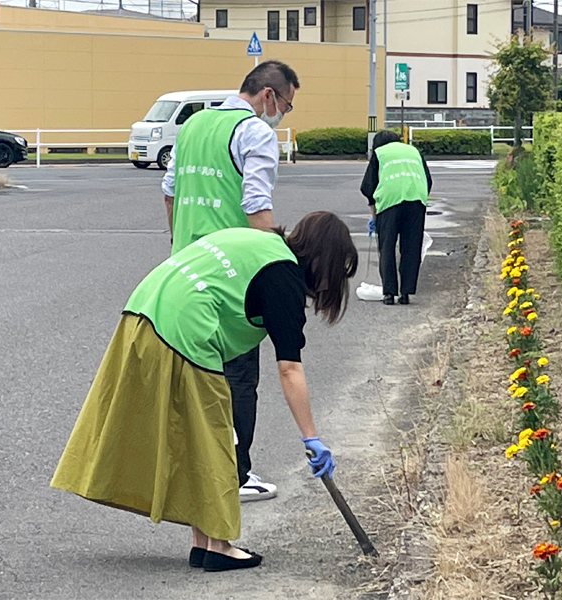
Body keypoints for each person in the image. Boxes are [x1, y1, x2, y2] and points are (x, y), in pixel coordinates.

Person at [51, 211, 359, 572]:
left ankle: (203, 541)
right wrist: (312, 438)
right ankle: (219, 545)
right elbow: (289, 368)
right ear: (324, 260)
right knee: (215, 437)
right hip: (184, 329)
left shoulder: (260, 242)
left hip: (143, 309)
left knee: (194, 437)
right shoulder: (283, 277)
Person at [162, 60, 299, 502]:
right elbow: (257, 203)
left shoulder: (193, 125)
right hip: (231, 275)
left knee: (197, 378)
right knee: (238, 379)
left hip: (184, 267)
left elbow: (170, 191)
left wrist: (180, 240)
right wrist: (276, 262)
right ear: (269, 96)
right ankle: (235, 476)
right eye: (287, 106)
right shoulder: (256, 132)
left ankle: (197, 472)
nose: (282, 115)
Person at [360, 130, 433, 305]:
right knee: (411, 247)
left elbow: (368, 187)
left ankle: (389, 293)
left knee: (387, 247)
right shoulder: (414, 151)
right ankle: (406, 292)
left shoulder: (380, 154)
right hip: (416, 199)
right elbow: (428, 180)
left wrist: (374, 216)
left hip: (390, 201)